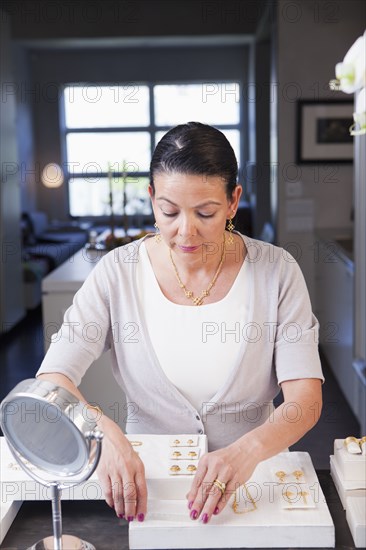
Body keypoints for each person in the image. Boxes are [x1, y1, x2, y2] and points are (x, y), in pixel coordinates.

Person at [37, 121, 323, 526]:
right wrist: (100, 432)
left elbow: (305, 401)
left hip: (252, 485)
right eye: (169, 211)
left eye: (205, 213)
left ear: (233, 201)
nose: (185, 231)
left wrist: (248, 449)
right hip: (144, 488)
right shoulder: (116, 273)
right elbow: (53, 378)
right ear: (152, 197)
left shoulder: (278, 271)